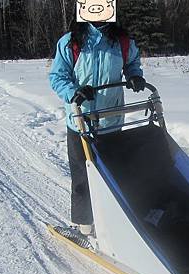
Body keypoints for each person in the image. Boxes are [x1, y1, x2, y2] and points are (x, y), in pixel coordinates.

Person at [49, 20, 146, 236]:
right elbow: (57, 76)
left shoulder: (122, 41)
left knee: (113, 173)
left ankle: (115, 221)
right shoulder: (70, 42)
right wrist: (74, 91)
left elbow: (131, 63)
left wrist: (134, 75)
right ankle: (84, 225)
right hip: (79, 121)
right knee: (82, 175)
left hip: (111, 120)